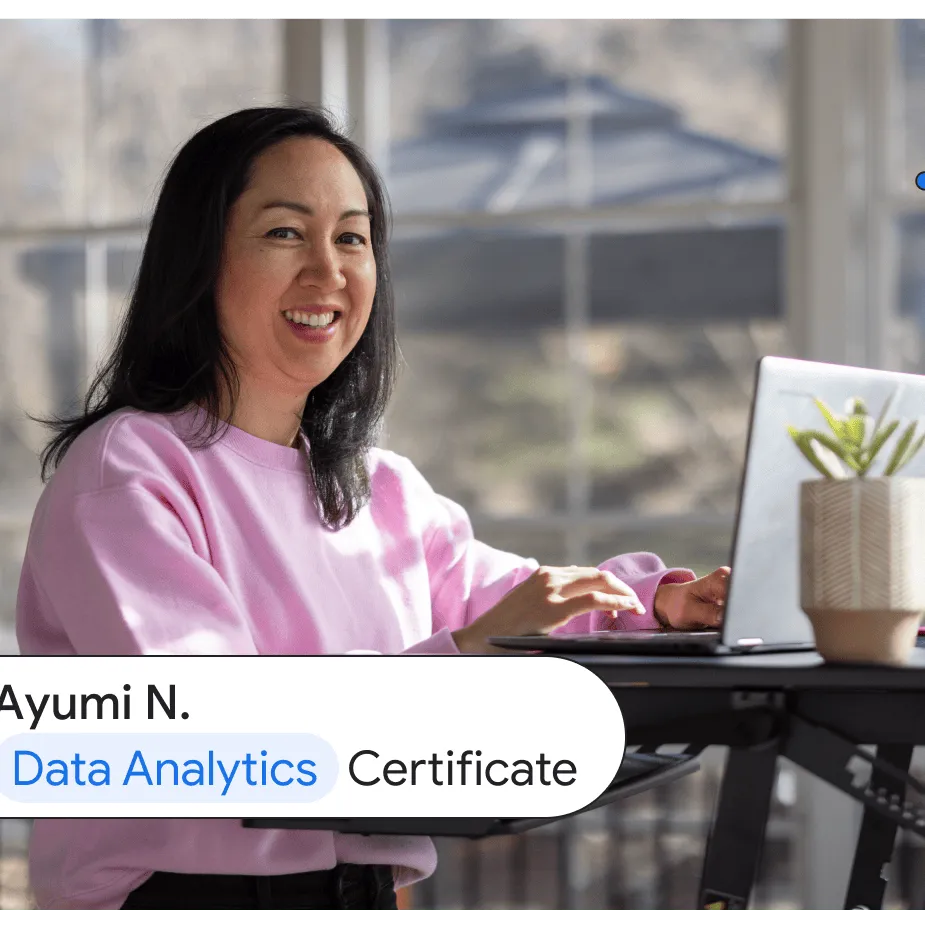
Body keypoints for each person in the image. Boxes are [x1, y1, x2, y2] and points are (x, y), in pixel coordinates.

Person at [16, 105, 730, 912]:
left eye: (351, 238)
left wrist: (660, 602)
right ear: (200, 258)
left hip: (361, 890)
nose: (328, 272)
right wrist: (464, 653)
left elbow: (520, 602)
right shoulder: (131, 468)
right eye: (285, 232)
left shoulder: (380, 489)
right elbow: (220, 731)